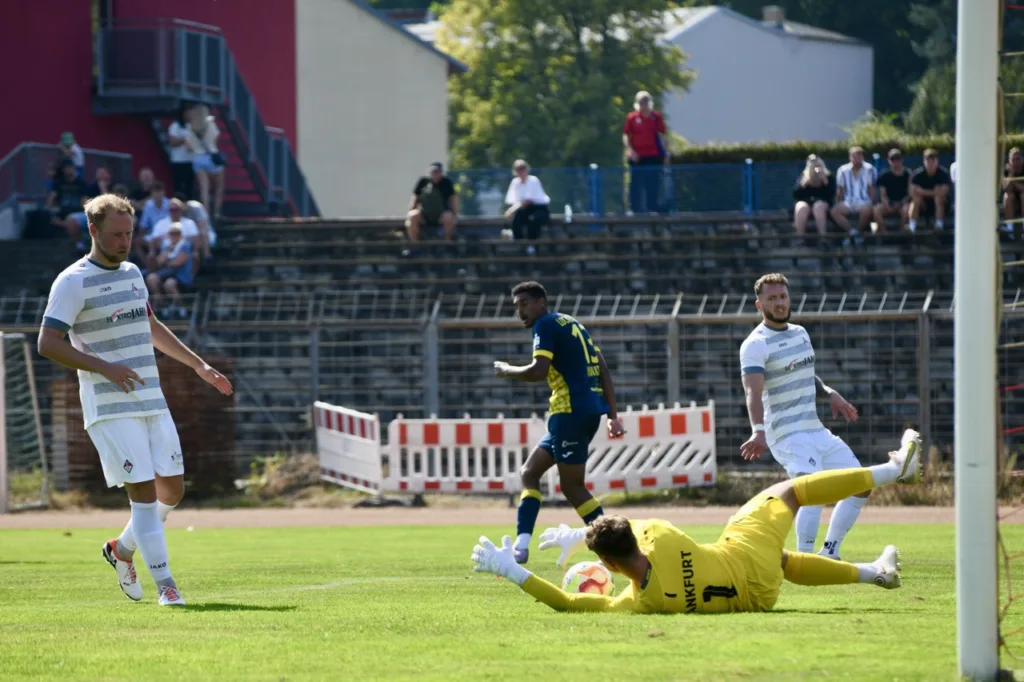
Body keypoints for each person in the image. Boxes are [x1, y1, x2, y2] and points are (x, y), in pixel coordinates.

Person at [471, 429, 922, 613]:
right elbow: (625, 526)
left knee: (781, 562)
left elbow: (566, 604)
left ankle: (875, 574)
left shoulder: (639, 605)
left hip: (756, 597)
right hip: (744, 554)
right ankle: (893, 471)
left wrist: (509, 569)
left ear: (607, 568)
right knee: (792, 490)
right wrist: (576, 531)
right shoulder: (659, 537)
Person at [37, 194, 233, 606]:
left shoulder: (132, 272)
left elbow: (151, 325)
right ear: (93, 231)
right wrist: (104, 367)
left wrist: (199, 366)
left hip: (150, 399)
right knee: (142, 494)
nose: (126, 241)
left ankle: (121, 549)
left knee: (173, 491)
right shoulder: (72, 281)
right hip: (109, 406)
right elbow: (47, 342)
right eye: (116, 234)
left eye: (130, 233)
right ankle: (167, 586)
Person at [492, 281, 626, 564]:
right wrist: (613, 415)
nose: (520, 311)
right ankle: (521, 545)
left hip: (571, 413)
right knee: (529, 472)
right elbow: (603, 368)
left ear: (542, 301)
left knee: (572, 486)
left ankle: (615, 543)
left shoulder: (545, 326)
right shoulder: (572, 324)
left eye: (525, 304)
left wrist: (507, 371)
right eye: (516, 307)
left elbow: (538, 371)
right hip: (574, 413)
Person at [739, 272, 865, 559]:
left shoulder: (800, 333)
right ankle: (805, 558)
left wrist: (830, 392)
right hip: (785, 432)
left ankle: (829, 552)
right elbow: (752, 392)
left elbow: (805, 373)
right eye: (771, 299)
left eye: (782, 296)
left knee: (860, 485)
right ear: (759, 305)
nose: (779, 303)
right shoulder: (755, 344)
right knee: (812, 489)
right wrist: (758, 430)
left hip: (814, 428)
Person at [622, 90, 669, 214]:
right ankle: (634, 208)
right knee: (636, 183)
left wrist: (665, 153)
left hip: (653, 155)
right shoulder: (632, 117)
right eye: (642, 102)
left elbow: (662, 135)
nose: (644, 105)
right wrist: (631, 151)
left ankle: (652, 207)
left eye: (646, 101)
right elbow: (626, 135)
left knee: (653, 182)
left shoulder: (656, 117)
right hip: (637, 157)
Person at [406, 162, 458, 245]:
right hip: (424, 214)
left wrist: (455, 215)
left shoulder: (446, 182)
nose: (435, 174)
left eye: (437, 172)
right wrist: (412, 209)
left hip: (441, 214)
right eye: (433, 172)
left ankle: (447, 243)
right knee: (413, 216)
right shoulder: (423, 182)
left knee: (448, 217)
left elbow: (453, 199)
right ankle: (415, 244)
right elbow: (415, 198)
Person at [503, 159, 551, 249]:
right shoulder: (515, 183)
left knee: (533, 221)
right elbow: (516, 201)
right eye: (518, 169)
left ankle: (532, 245)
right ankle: (520, 245)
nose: (521, 171)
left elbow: (528, 201)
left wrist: (511, 210)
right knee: (516, 221)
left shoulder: (533, 180)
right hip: (525, 209)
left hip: (539, 208)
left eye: (522, 169)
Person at [830, 146, 877, 235]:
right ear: (850, 157)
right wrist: (838, 202)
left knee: (866, 210)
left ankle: (859, 232)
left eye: (859, 156)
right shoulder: (842, 170)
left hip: (864, 201)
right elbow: (840, 189)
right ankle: (852, 231)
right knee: (834, 211)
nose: (857, 158)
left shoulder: (869, 169)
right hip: (848, 202)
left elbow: (871, 188)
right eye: (854, 156)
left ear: (862, 157)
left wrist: (874, 203)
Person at [909, 149, 952, 233]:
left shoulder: (943, 174)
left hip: (941, 205)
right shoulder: (917, 175)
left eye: (933, 160)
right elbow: (912, 192)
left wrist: (922, 191)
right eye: (928, 160)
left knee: (938, 198)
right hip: (923, 204)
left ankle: (939, 226)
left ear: (937, 161)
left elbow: (944, 191)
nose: (930, 163)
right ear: (924, 161)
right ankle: (911, 227)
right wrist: (934, 192)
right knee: (915, 200)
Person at [791, 155, 833, 235]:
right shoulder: (803, 176)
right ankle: (800, 237)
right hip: (806, 201)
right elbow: (795, 194)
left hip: (822, 202)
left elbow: (831, 194)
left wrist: (825, 182)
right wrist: (803, 184)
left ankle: (823, 236)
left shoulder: (828, 177)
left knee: (818, 207)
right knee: (801, 207)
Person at [873, 149, 911, 232]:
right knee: (876, 209)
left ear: (902, 160)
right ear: (889, 161)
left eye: (898, 159)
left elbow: (909, 193)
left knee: (907, 210)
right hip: (888, 204)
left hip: (902, 204)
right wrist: (888, 206)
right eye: (893, 159)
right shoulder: (884, 175)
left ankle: (902, 233)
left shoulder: (908, 174)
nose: (896, 162)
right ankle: (884, 234)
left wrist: (900, 203)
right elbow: (883, 195)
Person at [167, 105, 195, 200]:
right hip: (178, 161)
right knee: (178, 186)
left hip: (190, 160)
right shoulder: (175, 126)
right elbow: (172, 142)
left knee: (189, 187)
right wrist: (184, 140)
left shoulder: (191, 126)